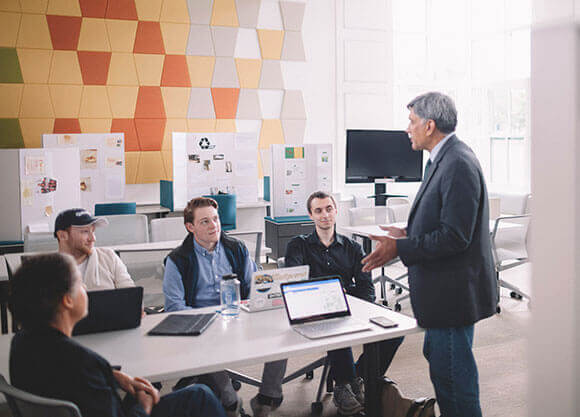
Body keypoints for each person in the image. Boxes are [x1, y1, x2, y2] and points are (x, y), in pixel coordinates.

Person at [361, 92, 497, 417]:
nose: (407, 129)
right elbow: (444, 221)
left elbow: (455, 237)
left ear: (430, 125)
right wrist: (407, 234)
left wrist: (401, 248)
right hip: (442, 297)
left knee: (455, 383)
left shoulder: (458, 164)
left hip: (452, 298)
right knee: (443, 370)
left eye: (411, 122)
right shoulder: (442, 160)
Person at [9, 252, 227, 417]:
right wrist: (143, 405)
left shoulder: (22, 342)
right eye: (79, 284)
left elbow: (59, 369)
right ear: (67, 300)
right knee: (200, 396)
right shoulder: (83, 362)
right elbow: (81, 370)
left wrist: (112, 375)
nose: (85, 287)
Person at [163, 197, 286, 417]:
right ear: (190, 227)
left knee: (281, 336)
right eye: (205, 222)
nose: (214, 226)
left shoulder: (235, 248)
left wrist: (263, 302)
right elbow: (175, 307)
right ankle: (230, 401)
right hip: (203, 324)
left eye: (216, 219)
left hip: (238, 316)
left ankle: (266, 398)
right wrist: (212, 318)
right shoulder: (177, 260)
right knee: (207, 344)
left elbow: (253, 286)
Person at [285, 191, 404, 416]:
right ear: (311, 215)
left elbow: (366, 286)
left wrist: (360, 311)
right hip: (315, 308)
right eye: (318, 210)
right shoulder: (298, 246)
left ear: (336, 211)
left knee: (395, 330)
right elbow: (295, 284)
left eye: (329, 209)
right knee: (336, 325)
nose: (325, 215)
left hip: (352, 304)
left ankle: (355, 378)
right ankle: (345, 384)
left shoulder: (352, 247)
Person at [55, 208, 135, 290]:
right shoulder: (46, 268)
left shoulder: (109, 257)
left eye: (93, 231)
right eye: (85, 231)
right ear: (62, 236)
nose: (93, 238)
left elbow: (131, 296)